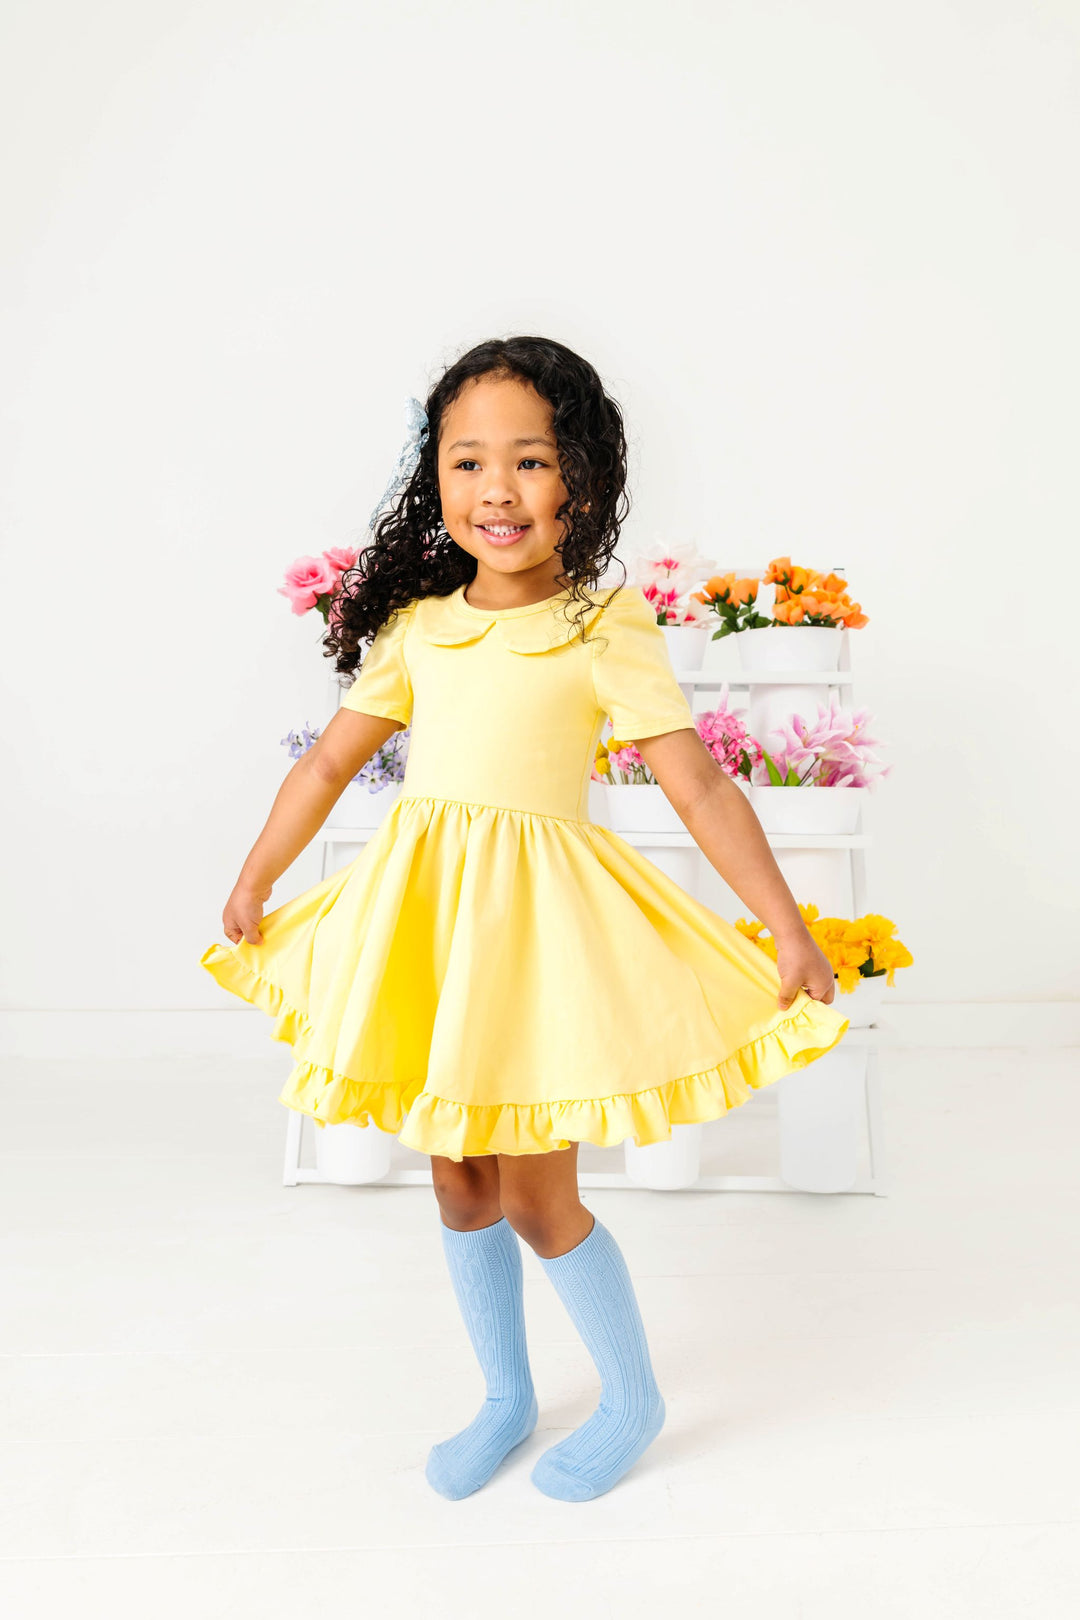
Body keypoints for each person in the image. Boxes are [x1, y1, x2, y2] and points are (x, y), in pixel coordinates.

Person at [200, 334, 848, 1503]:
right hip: (435, 935)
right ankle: (503, 1395)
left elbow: (696, 783)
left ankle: (632, 1394)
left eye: (531, 461)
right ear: (434, 480)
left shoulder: (605, 628)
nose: (497, 489)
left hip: (540, 941)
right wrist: (256, 877)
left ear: (580, 482)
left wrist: (786, 926)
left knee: (542, 1194)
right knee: (458, 1181)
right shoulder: (417, 629)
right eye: (468, 462)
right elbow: (328, 768)